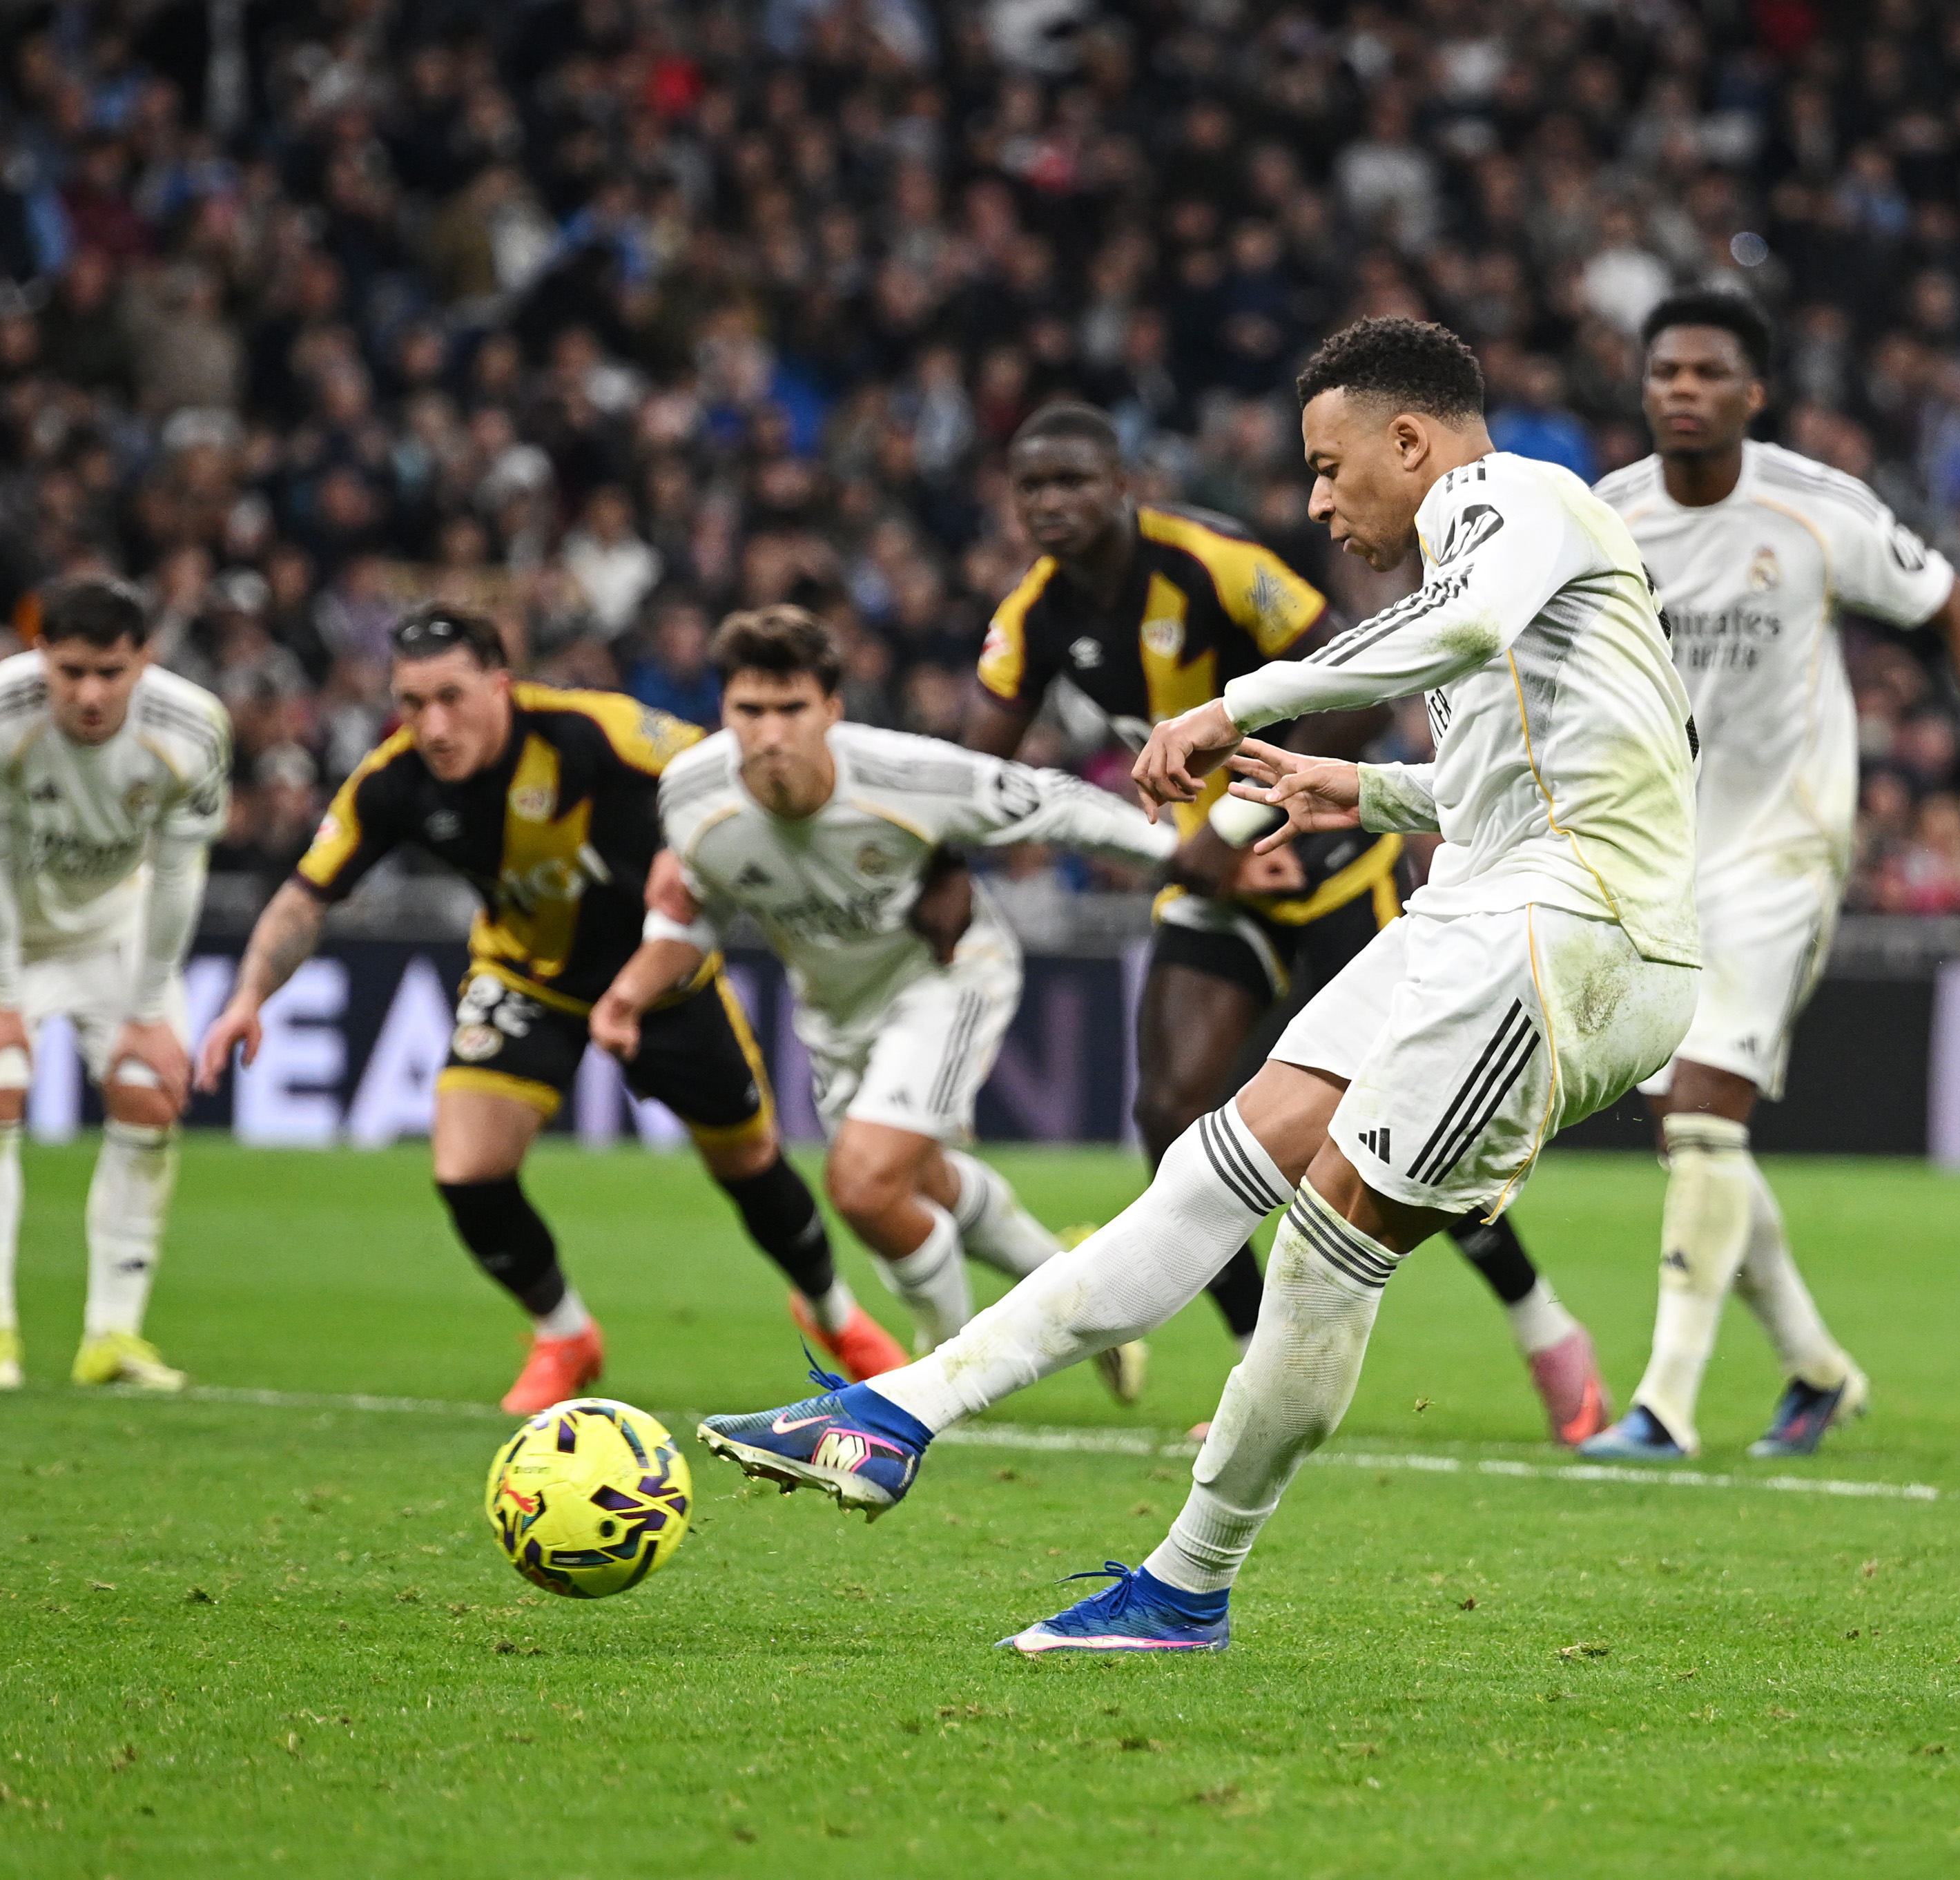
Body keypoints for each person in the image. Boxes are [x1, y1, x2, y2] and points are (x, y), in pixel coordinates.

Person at [691, 316, 1701, 1653]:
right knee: (1209, 1160)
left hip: (1572, 930)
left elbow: (1455, 631)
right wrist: (1365, 784)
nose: (1315, 500)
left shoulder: (1512, 499)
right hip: (1482, 899)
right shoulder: (1493, 553)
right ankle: (893, 1414)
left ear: (1410, 440)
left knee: (1320, 1241)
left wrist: (1241, 705)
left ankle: (1185, 1583)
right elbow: (1510, 763)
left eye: (1329, 468)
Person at [949, 397, 1616, 1445]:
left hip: (1330, 852)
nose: (1051, 504)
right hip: (1216, 878)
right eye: (1031, 486)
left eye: (1073, 480)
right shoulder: (1032, 616)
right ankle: (1262, 1360)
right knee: (1171, 1109)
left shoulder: (1211, 561)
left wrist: (1239, 813)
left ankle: (1544, 1326)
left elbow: (1355, 682)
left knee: (1406, 1123)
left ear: (1122, 483)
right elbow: (978, 767)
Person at [194, 605, 897, 1415]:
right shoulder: (394, 779)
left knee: (750, 1163)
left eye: (452, 697)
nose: (432, 724)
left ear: (502, 684)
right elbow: (306, 894)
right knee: (465, 1168)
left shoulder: (593, 731)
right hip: (528, 978)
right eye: (412, 702)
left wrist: (691, 842)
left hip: (662, 976)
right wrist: (249, 995)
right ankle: (563, 1332)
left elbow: (723, 767)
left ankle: (835, 1314)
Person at [1584, 290, 1960, 1462]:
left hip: (1781, 845)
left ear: (1752, 393)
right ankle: (1815, 1367)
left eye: (1705, 372)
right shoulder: (1603, 518)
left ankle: (1664, 1408)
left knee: (1700, 1118)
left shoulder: (1814, 507)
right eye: (1663, 371)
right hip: (1653, 850)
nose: (1680, 389)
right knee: (1688, 1131)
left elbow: (1957, 608)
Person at [591, 605, 1175, 1400]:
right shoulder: (692, 794)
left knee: (863, 1184)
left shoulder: (907, 773)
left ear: (831, 709)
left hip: (946, 976)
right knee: (920, 1183)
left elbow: (1055, 801)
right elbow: (690, 911)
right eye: (748, 710)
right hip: (836, 1016)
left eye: (791, 708)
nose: (769, 734)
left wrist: (1190, 857)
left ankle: (939, 1379)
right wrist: (626, 996)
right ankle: (1083, 1299)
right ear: (721, 711)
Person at [0, 575, 230, 1391]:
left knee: (147, 1089)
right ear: (39, 659)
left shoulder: (193, 727)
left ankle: (113, 1336)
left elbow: (178, 871)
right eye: (69, 672)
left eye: (109, 671)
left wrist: (146, 1009)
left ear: (144, 659)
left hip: (114, 923)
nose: (90, 694)